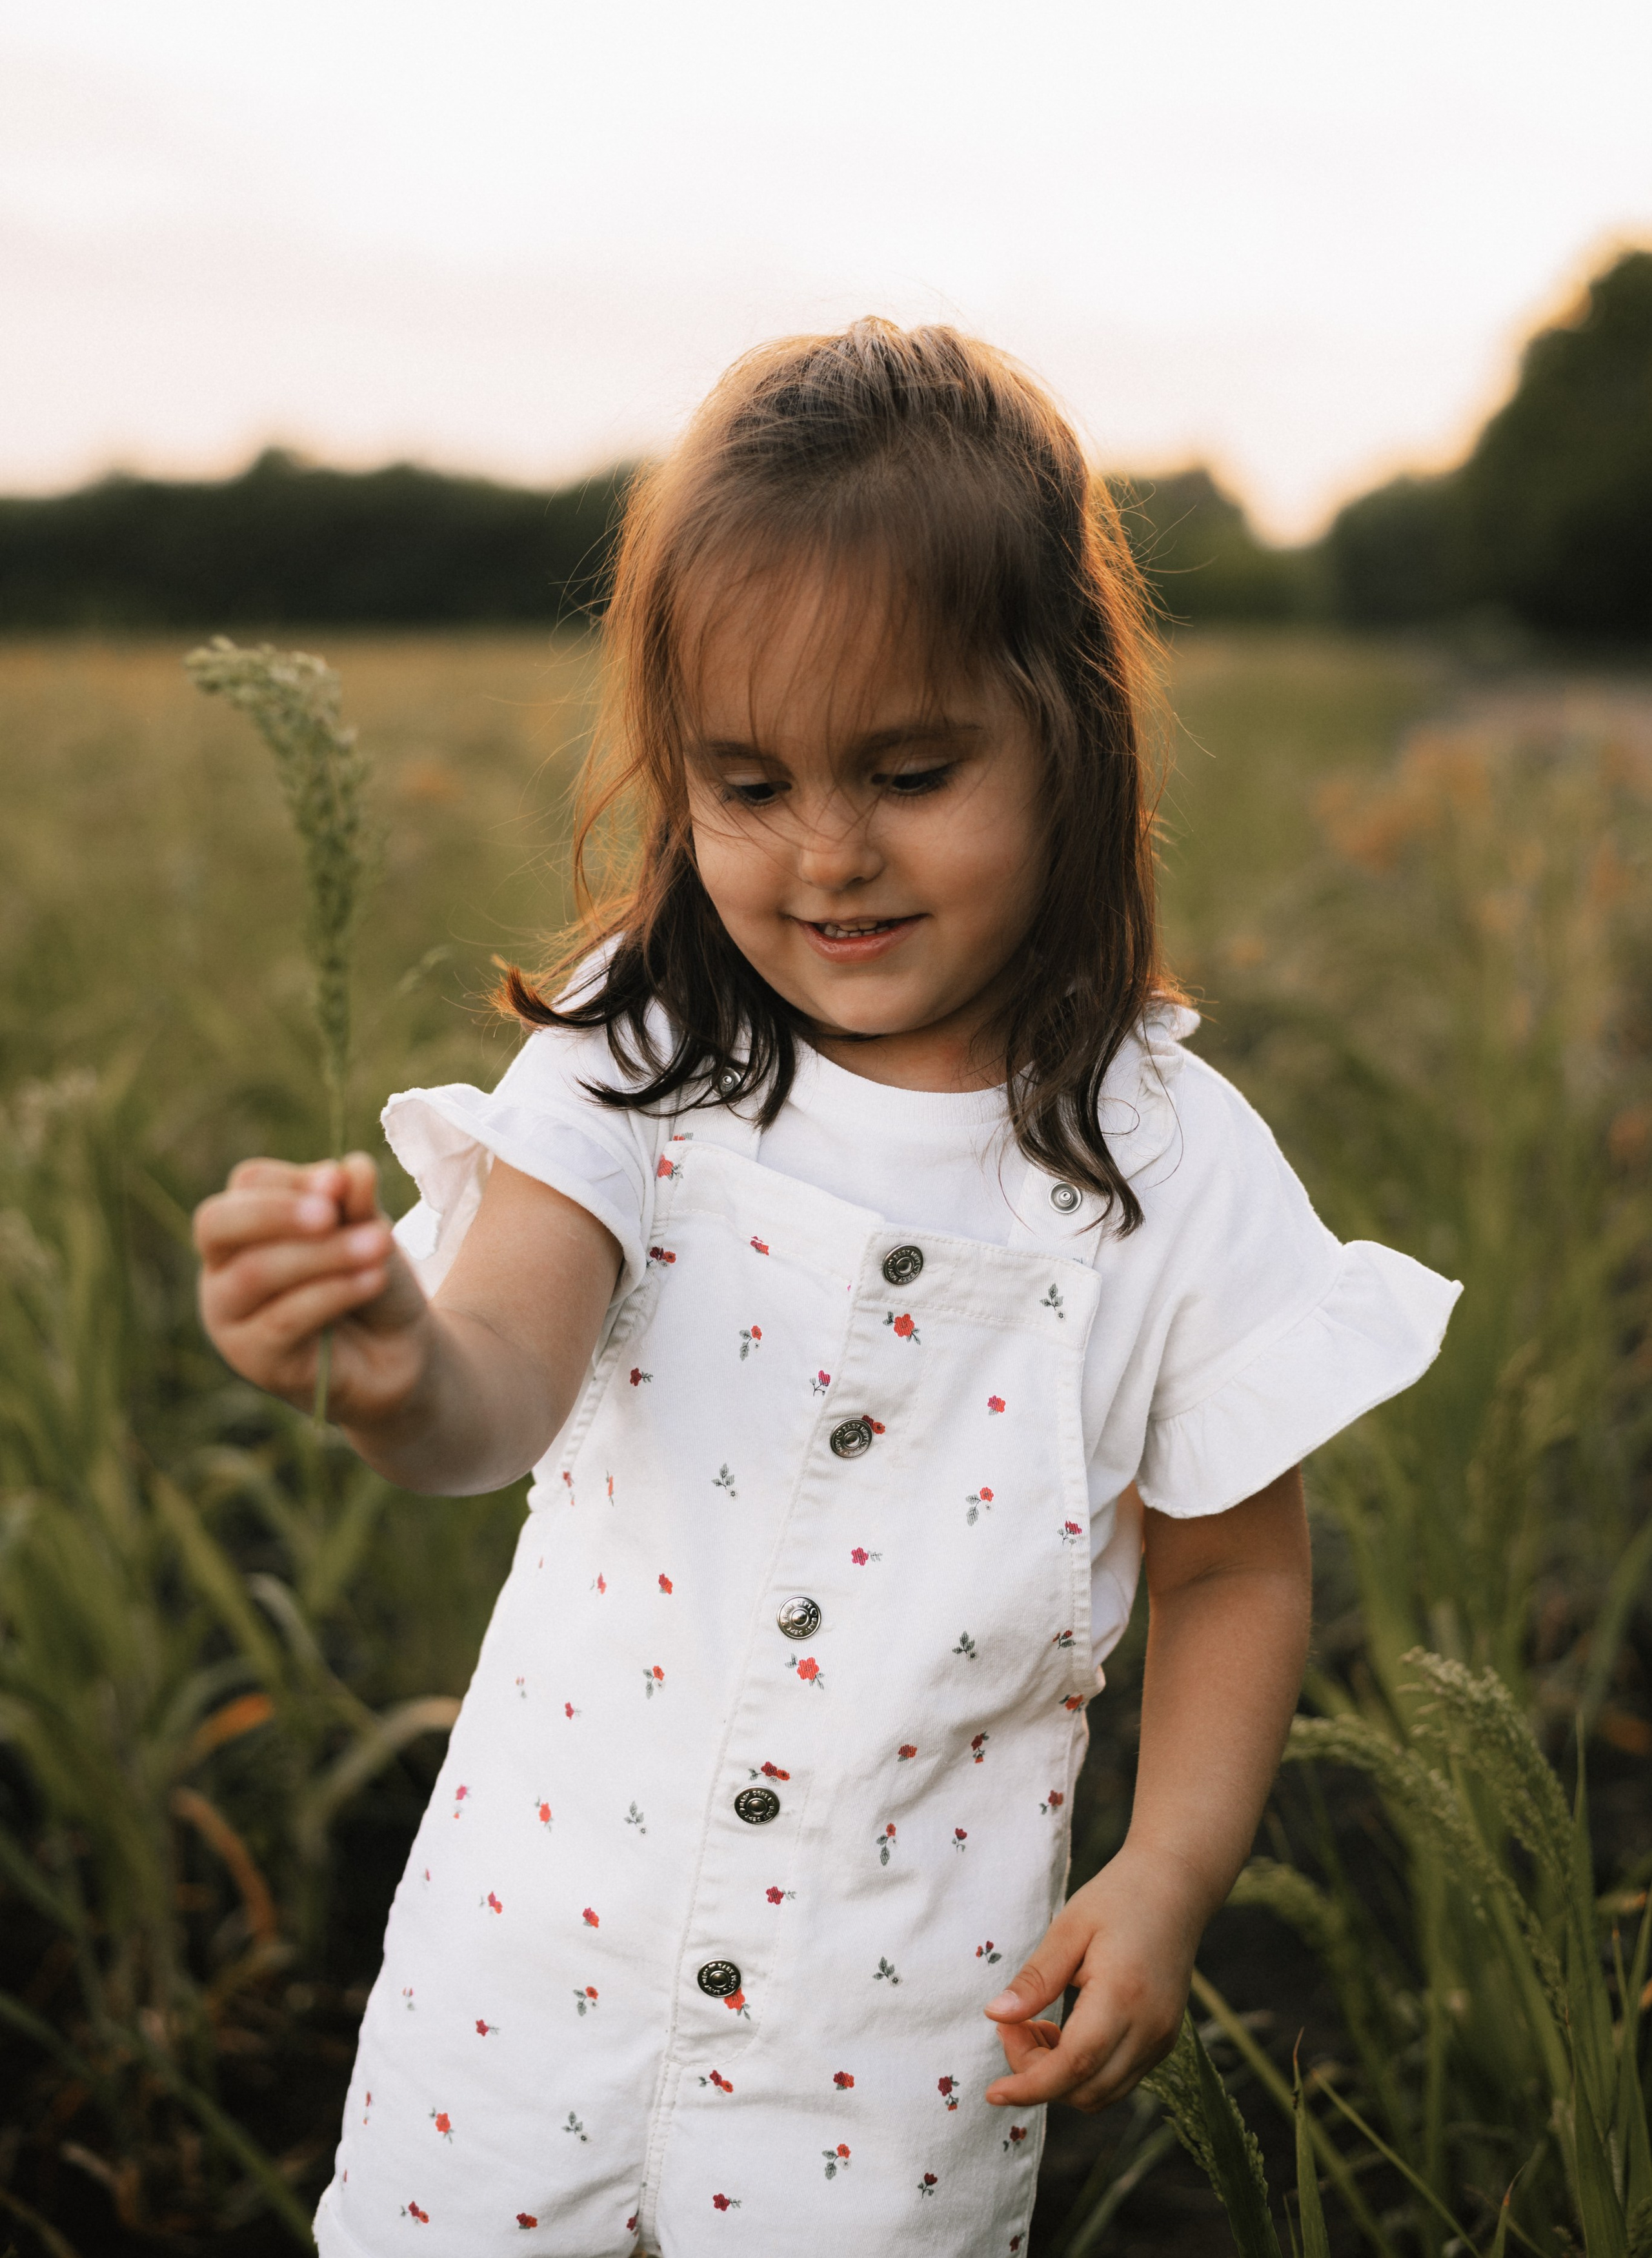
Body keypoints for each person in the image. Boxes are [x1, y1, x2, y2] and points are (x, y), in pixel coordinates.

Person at [194, 322, 1459, 2257]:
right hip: (527, 1983)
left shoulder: (1172, 1161)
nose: (832, 850)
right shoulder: (637, 1056)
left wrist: (1171, 1870)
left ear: (1072, 735)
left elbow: (1230, 1566)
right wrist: (383, 1354)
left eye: (912, 768)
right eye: (752, 781)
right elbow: (495, 1385)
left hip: (888, 2046)